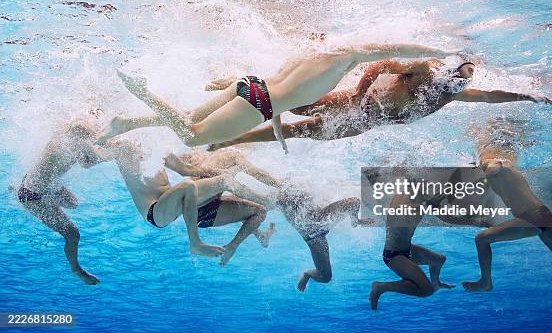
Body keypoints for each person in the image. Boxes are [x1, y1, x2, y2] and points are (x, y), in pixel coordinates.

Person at [98, 43, 458, 150]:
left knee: (190, 117)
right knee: (192, 136)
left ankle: (127, 123)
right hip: (260, 103)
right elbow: (386, 53)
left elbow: (284, 92)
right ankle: (143, 94)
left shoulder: (315, 57)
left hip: (252, 86)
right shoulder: (342, 66)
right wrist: (436, 49)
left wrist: (278, 123)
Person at [206, 56, 552, 150]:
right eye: (459, 75)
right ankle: (236, 83)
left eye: (465, 80)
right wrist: (359, 92)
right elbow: (381, 63)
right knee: (296, 107)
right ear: (451, 69)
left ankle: (232, 139)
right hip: (360, 107)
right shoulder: (425, 70)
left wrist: (527, 94)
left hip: (366, 123)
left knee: (303, 134)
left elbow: (492, 97)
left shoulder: (454, 93)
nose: (461, 83)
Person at [162, 148, 373, 290]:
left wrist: (357, 222)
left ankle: (303, 270)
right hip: (201, 206)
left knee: (326, 277)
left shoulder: (318, 222)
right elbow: (352, 202)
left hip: (314, 236)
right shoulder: (286, 198)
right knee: (264, 204)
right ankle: (251, 240)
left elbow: (352, 203)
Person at [461, 120, 552, 292]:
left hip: (533, 217)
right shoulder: (500, 167)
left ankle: (486, 282)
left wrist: (487, 170)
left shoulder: (493, 164)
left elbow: (494, 166)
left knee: (481, 239)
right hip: (539, 215)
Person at [106, 140, 274, 265]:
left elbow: (187, 170)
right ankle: (195, 243)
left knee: (225, 180)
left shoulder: (156, 148)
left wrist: (219, 172)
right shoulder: (122, 147)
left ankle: (269, 204)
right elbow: (95, 156)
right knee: (190, 185)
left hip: (179, 202)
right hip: (156, 212)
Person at [13, 120, 110, 284]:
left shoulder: (68, 136)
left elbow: (85, 162)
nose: (94, 137)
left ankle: (43, 201)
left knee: (73, 203)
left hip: (44, 185)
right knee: (73, 235)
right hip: (31, 196)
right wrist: (116, 149)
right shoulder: (69, 141)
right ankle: (76, 269)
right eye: (91, 134)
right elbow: (93, 159)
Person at [367, 182, 455, 310]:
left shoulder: (423, 198)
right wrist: (427, 204)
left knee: (439, 259)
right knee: (426, 291)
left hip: (407, 249)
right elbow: (399, 210)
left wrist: (472, 221)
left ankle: (436, 284)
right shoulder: (402, 200)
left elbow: (445, 217)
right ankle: (380, 287)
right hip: (393, 255)